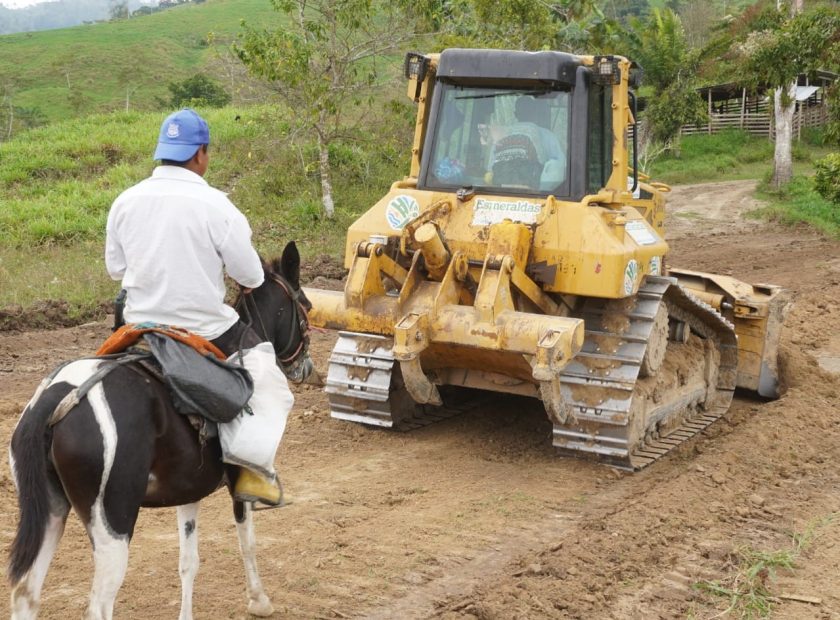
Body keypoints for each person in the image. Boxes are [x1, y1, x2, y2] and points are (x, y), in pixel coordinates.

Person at [105, 108, 286, 506]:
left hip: (139, 325)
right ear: (201, 154)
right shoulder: (217, 205)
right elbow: (252, 278)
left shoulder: (125, 201)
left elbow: (115, 268)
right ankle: (252, 474)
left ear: (162, 151)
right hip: (204, 328)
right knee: (268, 378)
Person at [487, 95, 566, 189]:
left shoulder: (501, 136)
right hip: (534, 197)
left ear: (515, 114)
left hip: (498, 196)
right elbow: (559, 169)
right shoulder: (547, 136)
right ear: (535, 112)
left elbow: (490, 170)